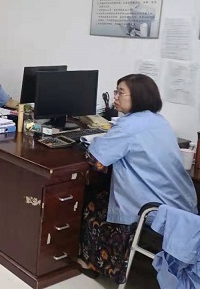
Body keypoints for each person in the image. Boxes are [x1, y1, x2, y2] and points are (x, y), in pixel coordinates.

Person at [78, 73, 197, 284]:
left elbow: (97, 160)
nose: (115, 97)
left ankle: (94, 264)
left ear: (139, 96)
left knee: (93, 205)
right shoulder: (160, 121)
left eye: (120, 92)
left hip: (154, 209)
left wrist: (91, 142)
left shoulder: (128, 126)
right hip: (184, 209)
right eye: (116, 91)